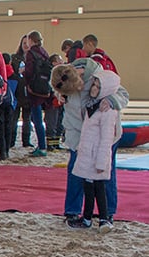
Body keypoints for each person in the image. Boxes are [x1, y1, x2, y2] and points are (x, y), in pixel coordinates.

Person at [51, 59, 129, 226]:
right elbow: (71, 114)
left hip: (105, 134)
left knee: (105, 172)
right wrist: (60, 93)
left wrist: (112, 101)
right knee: (75, 171)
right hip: (79, 135)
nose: (79, 90)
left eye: (79, 87)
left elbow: (123, 95)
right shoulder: (64, 79)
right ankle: (73, 211)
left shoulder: (101, 75)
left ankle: (107, 213)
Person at [67, 69, 121, 233]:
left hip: (96, 154)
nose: (94, 88)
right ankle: (87, 218)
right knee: (88, 187)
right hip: (87, 154)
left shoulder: (107, 111)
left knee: (99, 188)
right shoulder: (92, 106)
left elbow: (106, 139)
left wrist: (101, 161)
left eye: (98, 86)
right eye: (94, 85)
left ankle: (104, 218)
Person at [23, 31, 51, 157]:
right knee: (39, 118)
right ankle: (42, 144)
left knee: (37, 118)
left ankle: (42, 146)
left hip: (34, 88)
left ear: (31, 40)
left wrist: (25, 77)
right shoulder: (44, 52)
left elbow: (29, 71)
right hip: (43, 87)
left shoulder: (31, 53)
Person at [12, 34, 33, 148]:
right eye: (24, 43)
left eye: (28, 43)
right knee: (14, 118)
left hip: (29, 92)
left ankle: (26, 140)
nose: (26, 45)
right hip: (17, 91)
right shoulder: (14, 58)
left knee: (27, 118)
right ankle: (12, 140)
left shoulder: (33, 58)